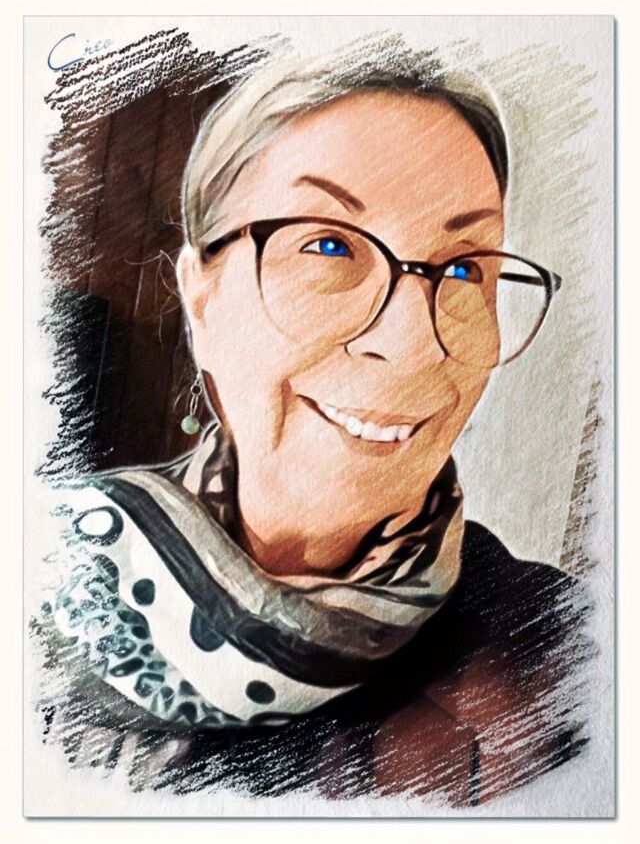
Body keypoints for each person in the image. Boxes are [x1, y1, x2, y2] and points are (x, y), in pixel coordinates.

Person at [36, 47, 592, 807]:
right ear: (201, 296)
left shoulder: (563, 658)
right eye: (328, 244)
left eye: (465, 268)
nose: (412, 344)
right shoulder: (42, 570)